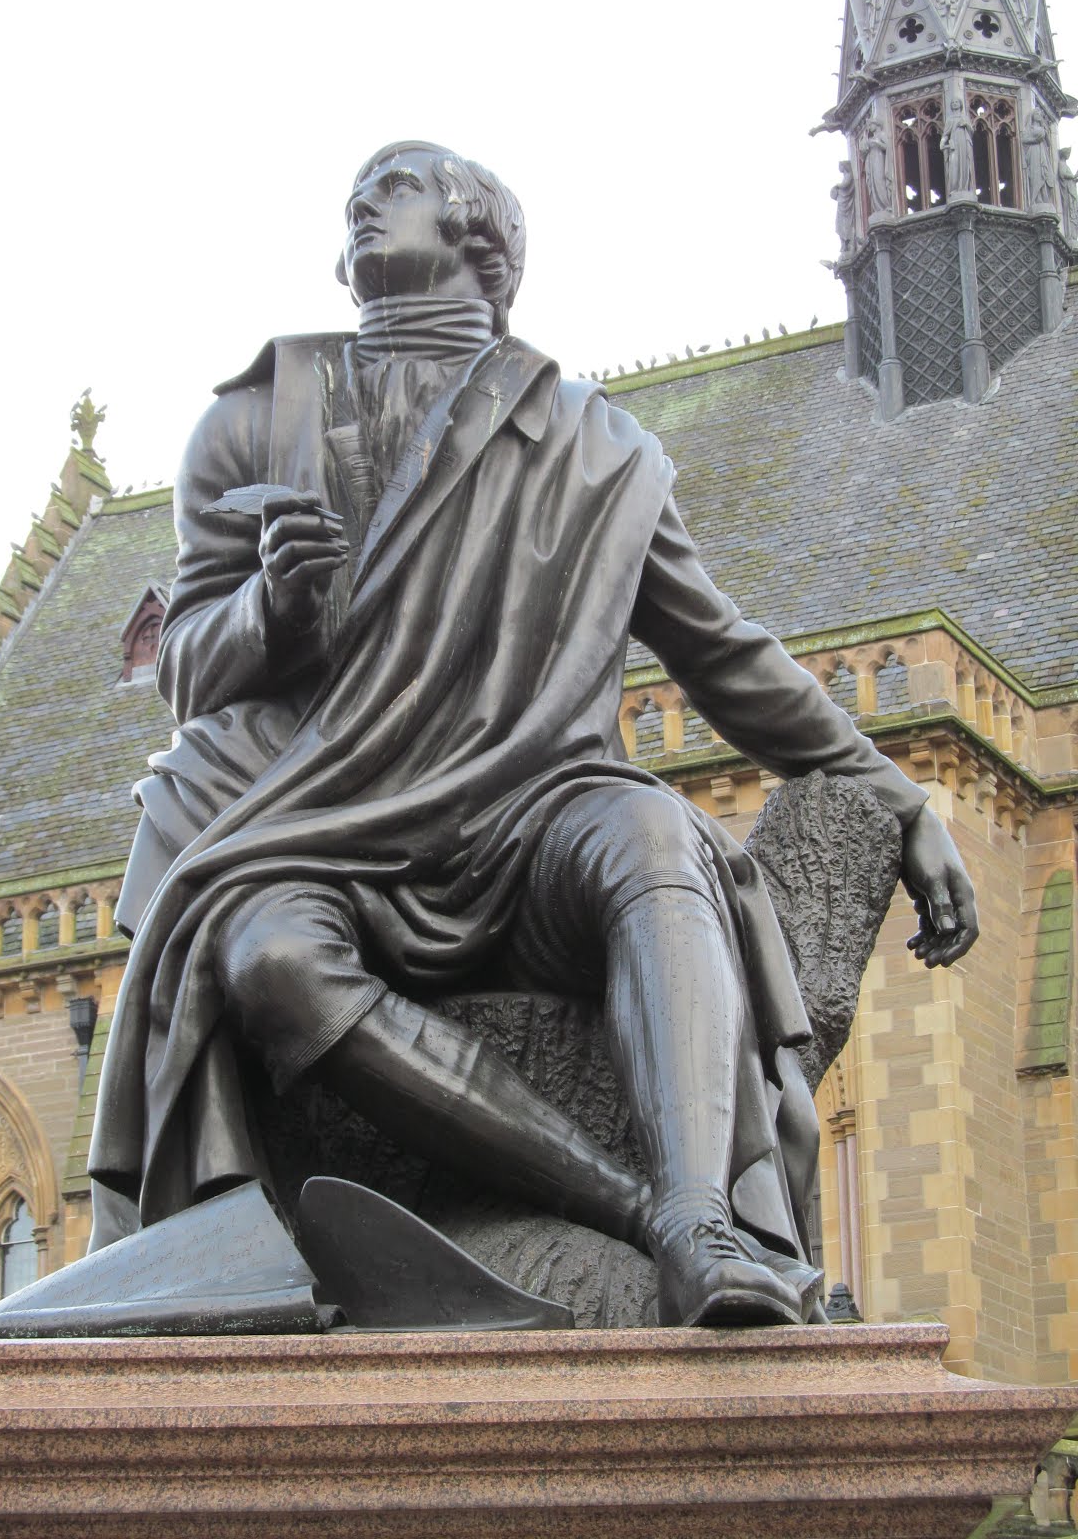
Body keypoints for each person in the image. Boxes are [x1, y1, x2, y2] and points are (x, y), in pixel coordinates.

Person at [88, 142, 977, 1327]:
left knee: (658, 833)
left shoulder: (598, 449)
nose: (357, 205)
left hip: (527, 820)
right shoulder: (252, 423)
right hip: (314, 829)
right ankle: (646, 1212)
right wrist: (272, 611)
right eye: (352, 198)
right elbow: (190, 668)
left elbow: (720, 655)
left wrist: (895, 793)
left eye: (390, 187)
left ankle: (703, 1208)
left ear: (483, 239)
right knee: (263, 957)